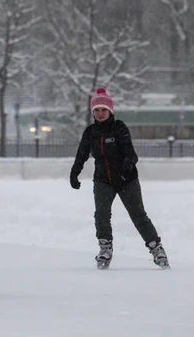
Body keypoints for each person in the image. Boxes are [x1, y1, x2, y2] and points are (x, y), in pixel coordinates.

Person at [69, 87, 169, 270]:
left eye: (103, 110)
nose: (100, 113)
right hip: (102, 180)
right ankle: (105, 248)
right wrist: (74, 173)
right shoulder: (90, 132)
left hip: (127, 179)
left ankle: (157, 248)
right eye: (97, 110)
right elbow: (81, 154)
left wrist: (124, 172)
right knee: (102, 215)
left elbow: (131, 154)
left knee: (138, 215)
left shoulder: (119, 127)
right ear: (92, 112)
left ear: (110, 111)